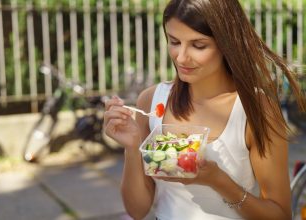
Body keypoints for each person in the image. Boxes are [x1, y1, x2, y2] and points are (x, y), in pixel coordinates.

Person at [103, 0, 306, 219]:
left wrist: (218, 180)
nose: (181, 57)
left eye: (198, 45)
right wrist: (133, 148)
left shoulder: (256, 109)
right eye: (174, 42)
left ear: (227, 43)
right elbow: (137, 210)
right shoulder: (152, 101)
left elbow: (280, 214)